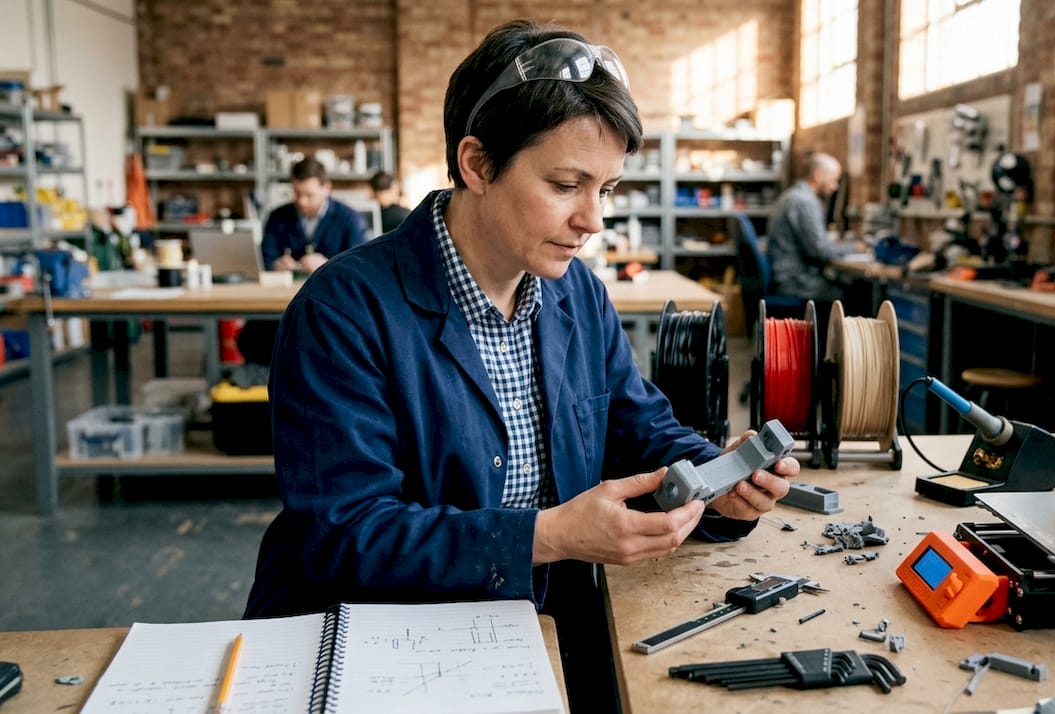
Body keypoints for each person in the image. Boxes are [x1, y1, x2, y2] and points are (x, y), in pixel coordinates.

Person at [243, 19, 797, 713]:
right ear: (477, 164)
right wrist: (549, 536)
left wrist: (718, 479)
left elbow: (639, 427)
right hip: (383, 646)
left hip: (541, 626)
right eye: (566, 184)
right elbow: (345, 535)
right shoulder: (343, 311)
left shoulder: (576, 294)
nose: (593, 219)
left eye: (606, 189)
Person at [765, 151, 856, 301]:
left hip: (784, 277)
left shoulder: (790, 196)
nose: (835, 187)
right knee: (855, 294)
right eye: (833, 180)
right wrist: (854, 248)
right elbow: (820, 250)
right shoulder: (805, 202)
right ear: (818, 175)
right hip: (795, 282)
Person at [261, 157, 368, 274]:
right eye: (297, 193)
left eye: (309, 195)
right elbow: (265, 259)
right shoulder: (277, 217)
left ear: (326, 188)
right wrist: (276, 265)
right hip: (285, 286)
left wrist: (328, 265)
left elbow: (360, 267)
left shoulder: (351, 220)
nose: (302, 202)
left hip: (333, 285)